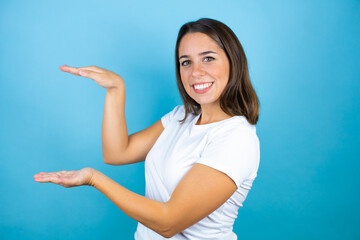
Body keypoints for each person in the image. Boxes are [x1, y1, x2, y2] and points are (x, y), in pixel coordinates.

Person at [34, 18, 260, 240]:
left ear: (234, 62)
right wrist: (116, 89)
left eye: (208, 58)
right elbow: (117, 153)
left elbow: (168, 222)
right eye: (186, 62)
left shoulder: (236, 138)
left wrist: (94, 179)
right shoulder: (182, 117)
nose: (196, 72)